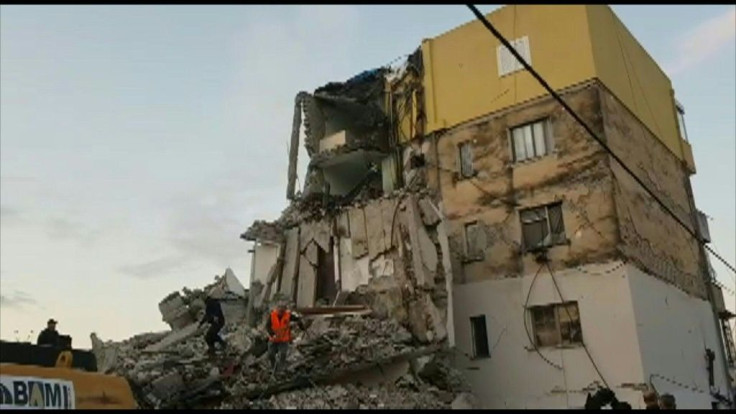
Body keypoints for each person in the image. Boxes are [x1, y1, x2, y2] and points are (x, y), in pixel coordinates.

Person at [266, 301, 305, 373]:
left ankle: (281, 370)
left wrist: (302, 327)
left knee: (282, 354)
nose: (281, 311)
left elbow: (298, 320)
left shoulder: (288, 315)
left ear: (285, 310)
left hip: (283, 340)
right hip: (274, 339)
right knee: (271, 354)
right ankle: (274, 367)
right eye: (280, 309)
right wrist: (272, 334)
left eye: (282, 310)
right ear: (277, 309)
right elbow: (267, 326)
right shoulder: (272, 315)